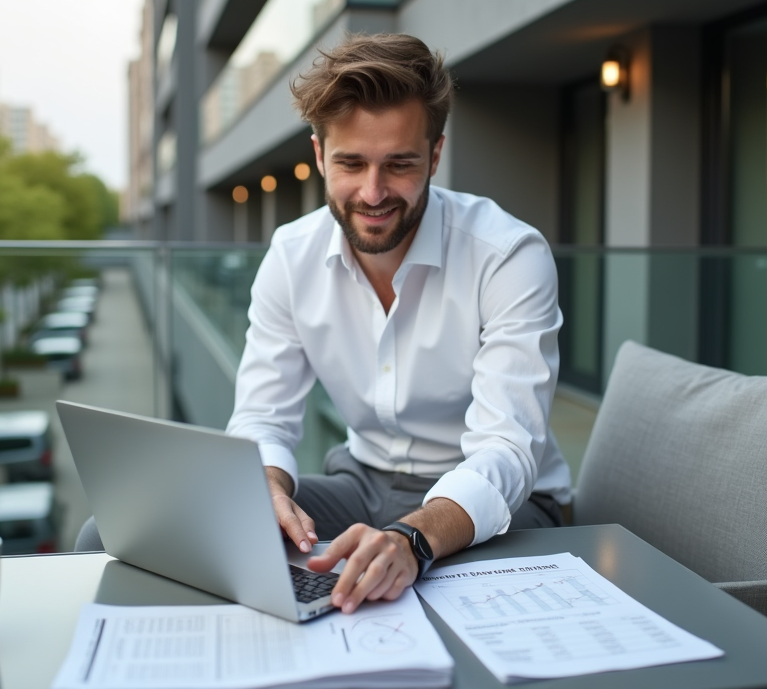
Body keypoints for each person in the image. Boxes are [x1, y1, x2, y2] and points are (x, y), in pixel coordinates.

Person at [225, 32, 571, 615]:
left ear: (435, 155)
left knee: (426, 611)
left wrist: (413, 536)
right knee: (111, 538)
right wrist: (265, 486)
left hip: (502, 503)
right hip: (361, 483)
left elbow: (506, 450)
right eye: (351, 163)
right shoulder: (290, 255)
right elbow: (263, 414)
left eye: (400, 164)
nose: (374, 191)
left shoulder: (508, 255)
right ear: (318, 156)